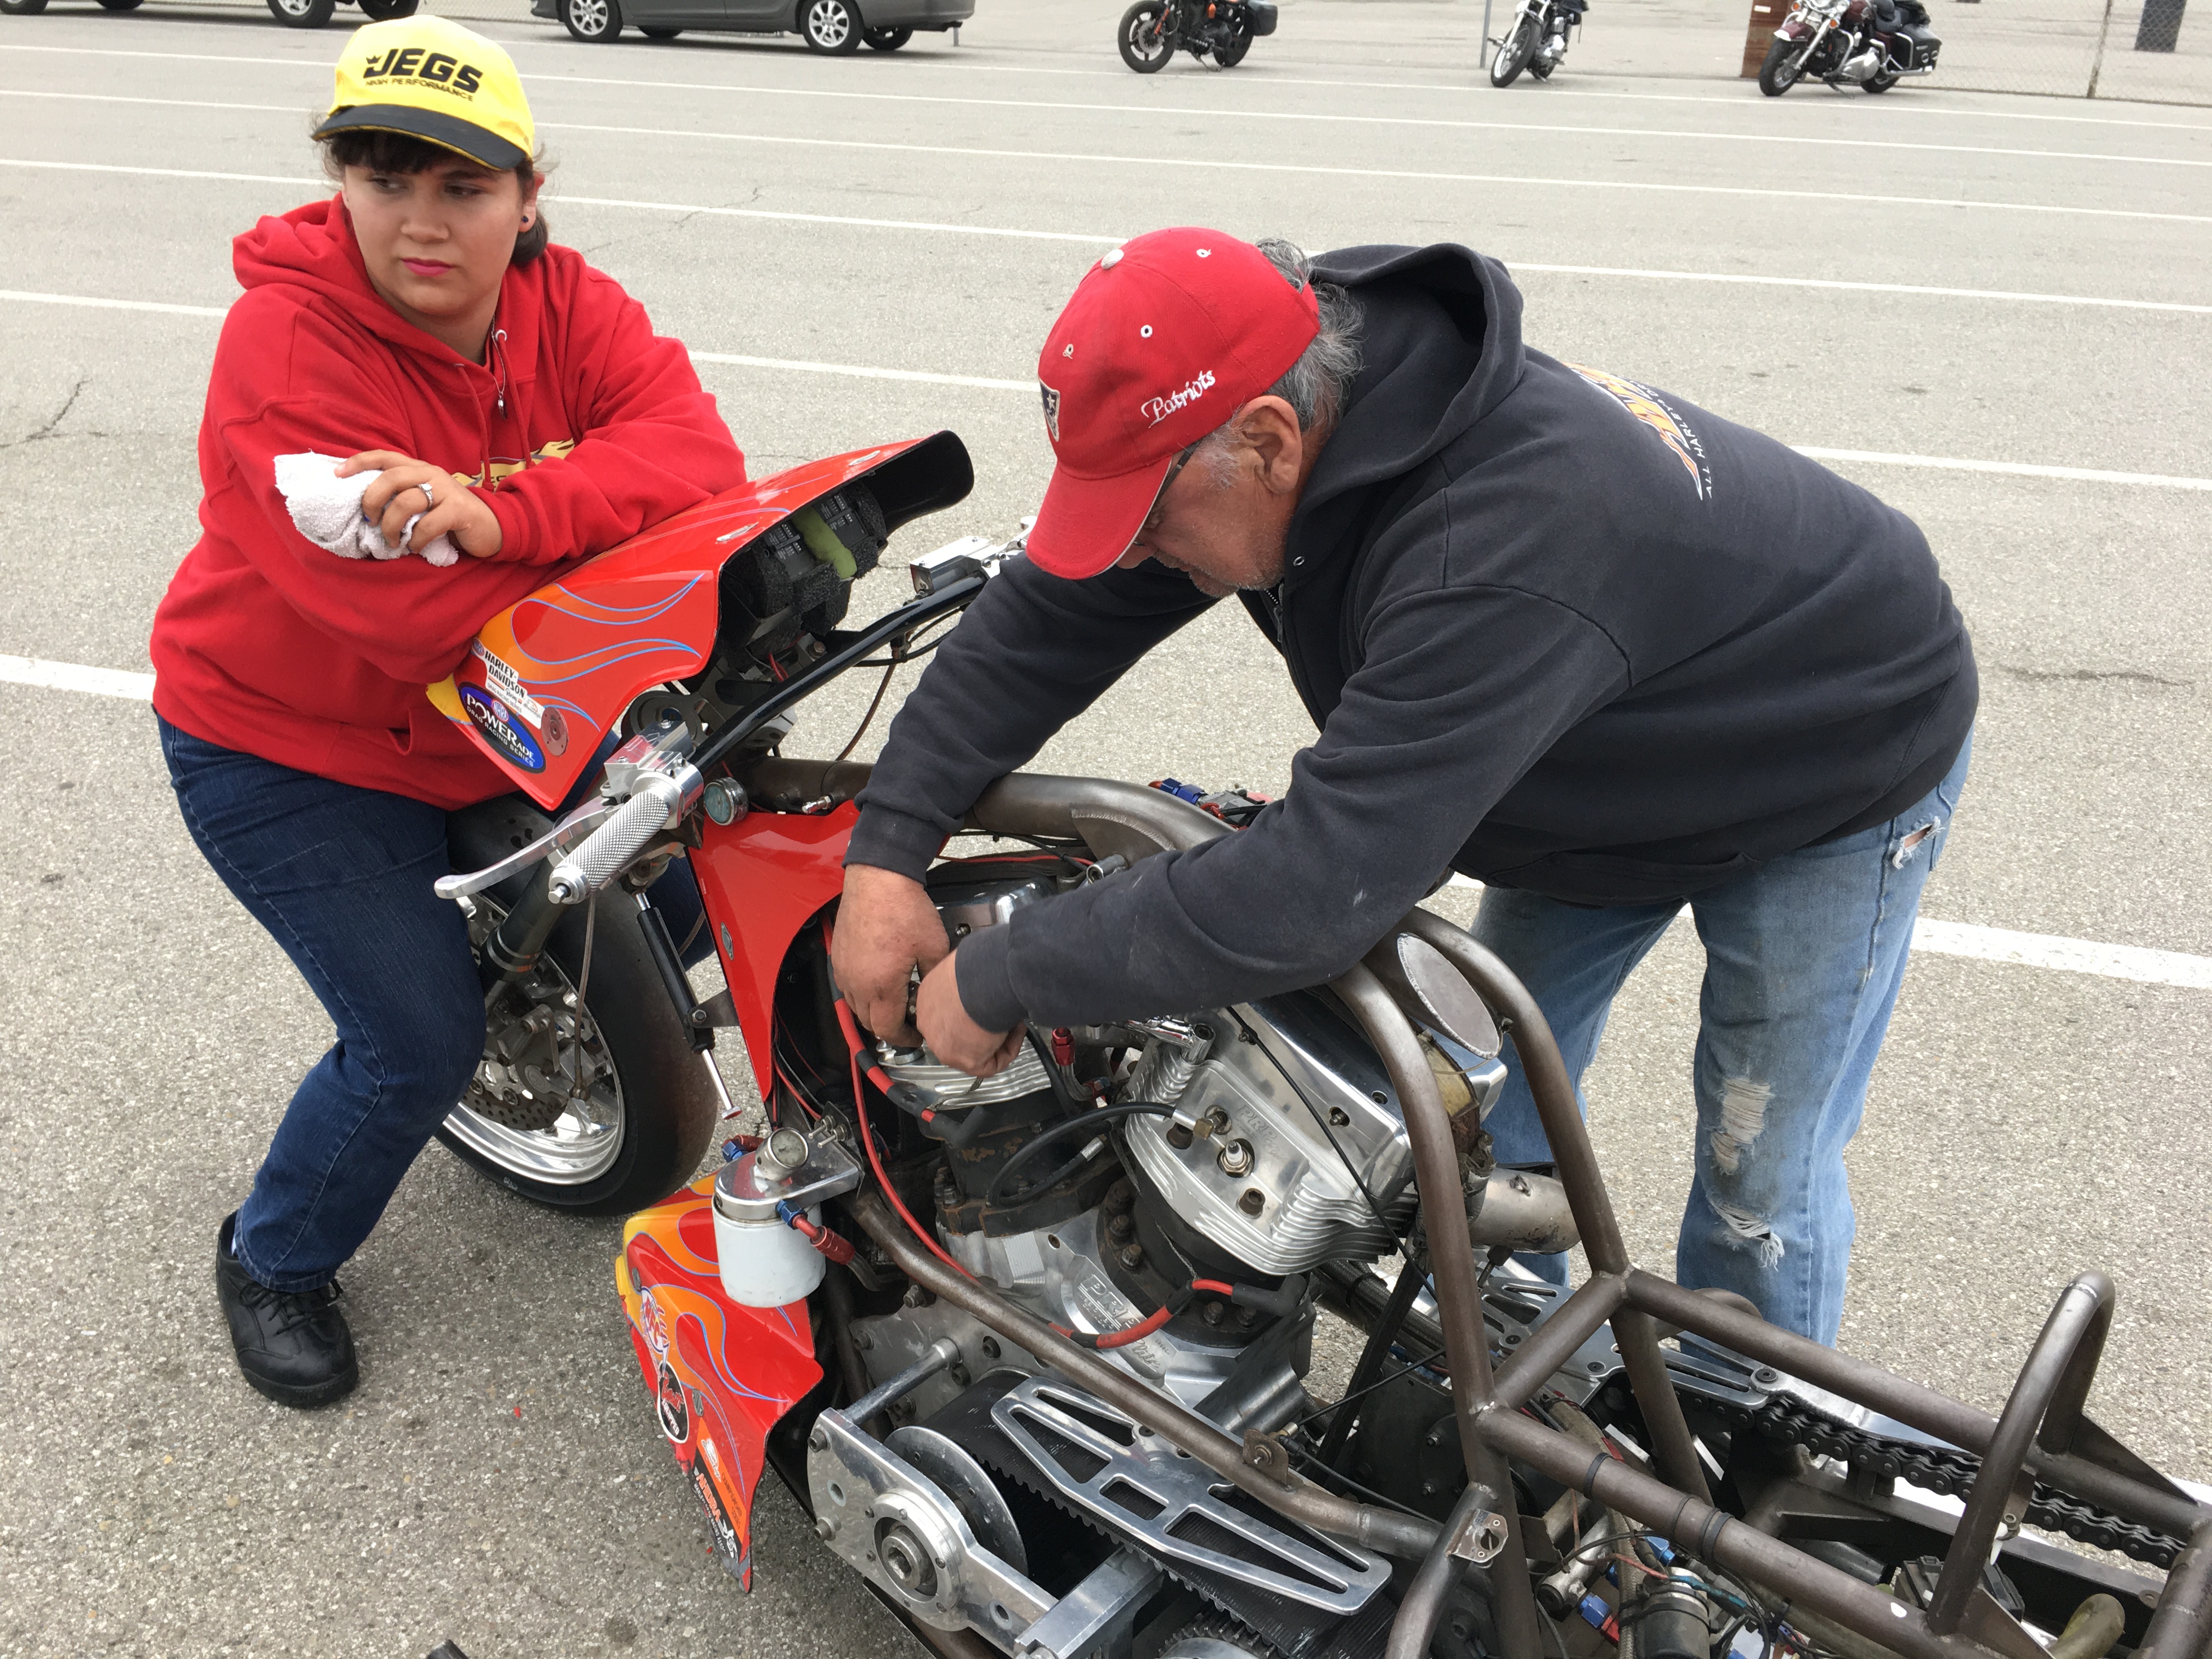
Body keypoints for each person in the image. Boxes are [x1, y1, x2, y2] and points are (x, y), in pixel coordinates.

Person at [831, 229, 1974, 1346]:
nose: (1130, 557)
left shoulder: (1494, 549)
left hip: (1830, 755)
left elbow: (1317, 889)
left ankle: (1742, 1475)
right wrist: (889, 850)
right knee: (1496, 1114)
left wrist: (1010, 971)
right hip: (1592, 743)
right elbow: (1054, 611)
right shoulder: (1278, 371)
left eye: (1144, 522)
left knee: (1757, 1175)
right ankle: (1535, 1389)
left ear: (1273, 444)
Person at [149, 16, 747, 1408]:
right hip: (284, 748)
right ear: (340, 181)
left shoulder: (570, 302)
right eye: (382, 175)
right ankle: (274, 1253)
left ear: (529, 195)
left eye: (463, 187)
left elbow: (698, 461)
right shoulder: (284, 346)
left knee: (695, 836)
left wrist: (501, 510)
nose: (421, 221)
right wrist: (590, 545)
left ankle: (510, 999)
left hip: (490, 717)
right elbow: (411, 619)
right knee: (415, 1044)